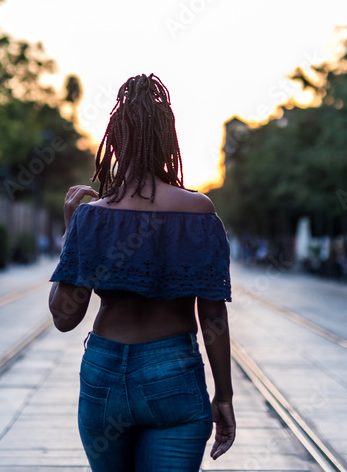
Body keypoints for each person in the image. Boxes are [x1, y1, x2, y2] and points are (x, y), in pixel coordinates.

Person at [48, 74, 236, 472]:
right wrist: (223, 396)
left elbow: (66, 318)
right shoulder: (198, 212)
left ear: (113, 142)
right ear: (168, 141)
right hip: (173, 375)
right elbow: (213, 316)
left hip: (103, 374)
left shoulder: (93, 216)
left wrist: (73, 231)